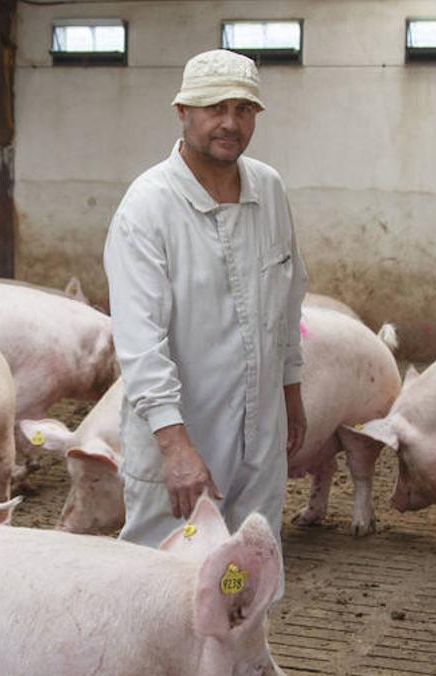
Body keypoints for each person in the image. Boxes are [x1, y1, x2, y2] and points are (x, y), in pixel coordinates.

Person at [103, 49, 307, 553]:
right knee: (169, 575)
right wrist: (174, 447)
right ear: (183, 112)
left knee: (245, 567)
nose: (230, 123)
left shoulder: (269, 189)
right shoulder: (149, 207)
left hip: (260, 435)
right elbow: (140, 341)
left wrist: (291, 391)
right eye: (215, 108)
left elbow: (288, 298)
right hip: (184, 432)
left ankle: (237, 634)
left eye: (243, 110)